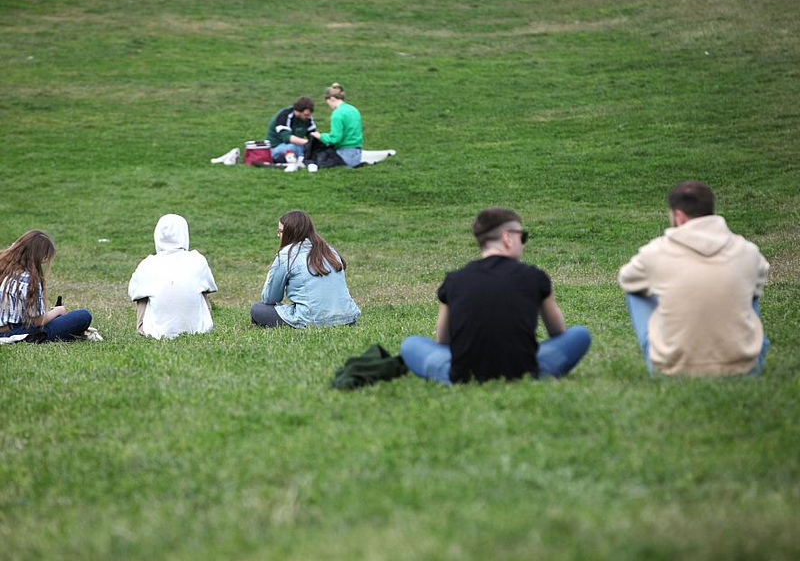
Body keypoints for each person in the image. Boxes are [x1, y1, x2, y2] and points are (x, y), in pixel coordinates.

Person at [400, 208, 591, 384]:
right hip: (523, 372)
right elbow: (557, 332)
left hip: (464, 376)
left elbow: (443, 340)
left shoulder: (454, 280)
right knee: (579, 334)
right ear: (507, 238)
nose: (522, 243)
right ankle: (535, 374)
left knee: (410, 344)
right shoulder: (535, 276)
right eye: (522, 236)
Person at [618, 180, 770, 376]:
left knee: (635, 293)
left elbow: (626, 279)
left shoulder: (655, 252)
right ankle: (747, 352)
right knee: (749, 293)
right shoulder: (748, 252)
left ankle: (669, 353)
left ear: (679, 216)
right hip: (744, 368)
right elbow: (759, 280)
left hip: (675, 369)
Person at [251, 210, 360, 328]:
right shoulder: (330, 250)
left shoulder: (286, 255)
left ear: (291, 233)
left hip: (312, 321)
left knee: (258, 309)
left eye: (281, 231)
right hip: (348, 319)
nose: (279, 235)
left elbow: (270, 298)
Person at [128, 214, 217, 340]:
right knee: (201, 287)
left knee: (142, 293)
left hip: (157, 332)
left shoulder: (147, 264)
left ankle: (144, 329)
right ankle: (200, 324)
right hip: (199, 329)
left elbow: (133, 293)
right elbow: (210, 287)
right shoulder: (197, 260)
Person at [0, 230, 93, 342]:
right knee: (82, 316)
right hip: (16, 331)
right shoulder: (29, 279)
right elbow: (38, 321)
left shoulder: (4, 267)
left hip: (7, 327)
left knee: (59, 320)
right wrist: (58, 310)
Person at [313, 83, 363, 167]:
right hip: (357, 154)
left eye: (328, 102)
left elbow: (335, 139)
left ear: (331, 99)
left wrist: (320, 136)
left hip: (344, 154)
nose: (329, 106)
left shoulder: (337, 114)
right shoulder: (354, 110)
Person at [266, 96, 320, 161]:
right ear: (297, 111)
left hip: (297, 145)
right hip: (277, 147)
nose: (308, 117)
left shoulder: (307, 118)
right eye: (306, 115)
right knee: (293, 147)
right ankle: (304, 159)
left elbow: (313, 134)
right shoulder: (284, 115)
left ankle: (303, 158)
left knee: (315, 148)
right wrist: (308, 143)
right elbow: (287, 138)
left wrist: (320, 142)